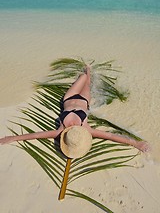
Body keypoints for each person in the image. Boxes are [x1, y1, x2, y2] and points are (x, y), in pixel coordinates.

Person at [0, 66, 149, 153]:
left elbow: (36, 135)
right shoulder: (86, 129)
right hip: (84, 101)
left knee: (83, 77)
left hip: (69, 97)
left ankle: (86, 70)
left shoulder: (60, 130)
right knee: (87, 81)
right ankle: (88, 71)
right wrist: (135, 144)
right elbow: (110, 136)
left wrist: (13, 138)